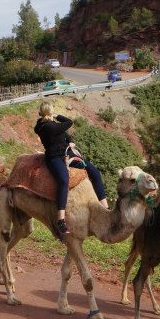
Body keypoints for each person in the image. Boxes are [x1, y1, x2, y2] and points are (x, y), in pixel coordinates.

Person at [34, 101, 107, 239]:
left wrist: (69, 141)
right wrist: (57, 115)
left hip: (68, 153)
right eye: (53, 110)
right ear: (50, 112)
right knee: (64, 180)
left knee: (95, 173)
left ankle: (105, 208)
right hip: (55, 157)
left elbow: (66, 135)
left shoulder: (53, 125)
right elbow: (69, 122)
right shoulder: (45, 126)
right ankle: (61, 220)